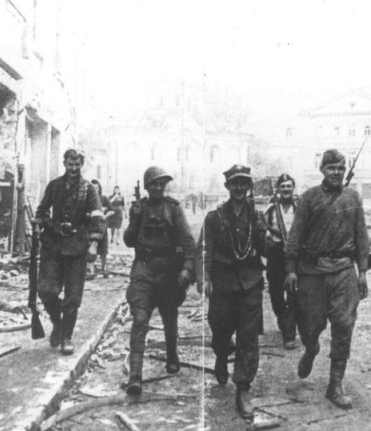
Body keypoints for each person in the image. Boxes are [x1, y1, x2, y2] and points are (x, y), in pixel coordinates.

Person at [284, 149, 369, 410]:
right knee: (311, 326)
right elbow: (295, 235)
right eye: (331, 168)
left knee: (344, 325)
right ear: (322, 170)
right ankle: (310, 349)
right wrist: (290, 269)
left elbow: (361, 235)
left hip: (344, 269)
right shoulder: (309, 197)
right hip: (312, 271)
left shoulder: (353, 196)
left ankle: (335, 385)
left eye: (340, 168)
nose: (336, 173)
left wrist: (363, 271)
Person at [196, 164, 267, 421]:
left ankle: (243, 389)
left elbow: (264, 244)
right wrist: (204, 277)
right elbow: (203, 249)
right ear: (227, 187)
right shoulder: (215, 217)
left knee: (248, 337)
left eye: (244, 184)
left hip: (250, 282)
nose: (239, 188)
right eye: (235, 183)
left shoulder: (257, 217)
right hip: (222, 283)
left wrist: (272, 241)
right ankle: (221, 355)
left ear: (248, 187)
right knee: (219, 329)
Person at [124, 166, 195, 396]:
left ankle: (172, 355)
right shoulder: (139, 208)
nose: (158, 187)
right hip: (143, 271)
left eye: (162, 184)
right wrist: (134, 219)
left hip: (168, 272)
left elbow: (188, 243)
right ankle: (135, 375)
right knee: (140, 319)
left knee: (169, 315)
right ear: (146, 186)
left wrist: (186, 268)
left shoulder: (173, 209)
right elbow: (128, 240)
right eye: (154, 183)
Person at [35, 149, 103, 355]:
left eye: (77, 165)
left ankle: (66, 337)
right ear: (64, 163)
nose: (73, 169)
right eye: (70, 164)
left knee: (72, 297)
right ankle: (58, 323)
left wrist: (93, 244)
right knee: (46, 291)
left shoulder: (88, 189)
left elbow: (98, 217)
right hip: (53, 246)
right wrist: (43, 224)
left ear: (81, 165)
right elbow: (42, 210)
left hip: (76, 247)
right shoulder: (54, 185)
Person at [265, 173, 299, 350]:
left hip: (295, 257)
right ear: (278, 189)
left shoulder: (300, 208)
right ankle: (283, 319)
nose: (286, 189)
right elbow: (263, 230)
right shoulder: (271, 210)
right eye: (283, 186)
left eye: (289, 186)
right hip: (276, 257)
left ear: (293, 188)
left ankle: (289, 334)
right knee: (276, 295)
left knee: (294, 295)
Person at [90, 179, 112, 278]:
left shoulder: (104, 199)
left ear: (99, 188)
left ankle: (104, 269)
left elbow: (112, 210)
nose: (96, 190)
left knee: (103, 249)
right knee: (91, 247)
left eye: (97, 188)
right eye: (93, 188)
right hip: (92, 226)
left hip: (102, 226)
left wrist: (104, 216)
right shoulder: (89, 199)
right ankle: (91, 270)